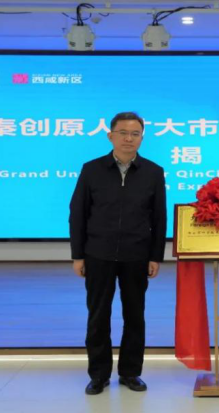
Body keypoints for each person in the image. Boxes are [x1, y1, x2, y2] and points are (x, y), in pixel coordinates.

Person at [69, 111, 166, 395]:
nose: (128, 139)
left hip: (137, 255)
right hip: (98, 254)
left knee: (135, 316)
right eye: (123, 133)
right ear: (110, 136)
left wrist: (155, 256)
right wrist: (78, 255)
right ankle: (98, 375)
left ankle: (130, 372)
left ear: (142, 138)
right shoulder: (92, 169)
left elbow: (159, 218)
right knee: (98, 316)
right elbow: (77, 213)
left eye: (135, 134)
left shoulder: (153, 171)